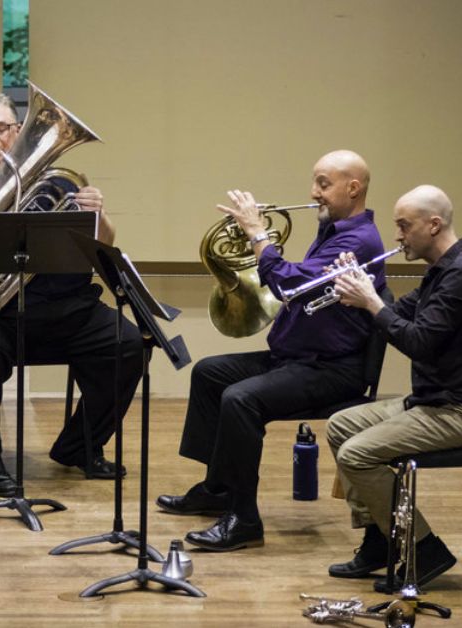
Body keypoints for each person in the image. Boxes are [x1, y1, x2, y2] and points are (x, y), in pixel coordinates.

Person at [0, 90, 144, 497]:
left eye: (0, 128)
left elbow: (102, 246)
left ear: (17, 132)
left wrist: (98, 216)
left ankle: (79, 446)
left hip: (62, 308)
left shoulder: (54, 180)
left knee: (127, 343)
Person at [156, 150, 387, 552]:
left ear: (354, 188)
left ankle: (244, 520)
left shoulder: (361, 240)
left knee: (241, 399)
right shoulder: (335, 229)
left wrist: (257, 234)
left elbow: (293, 286)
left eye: (323, 183)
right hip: (298, 359)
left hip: (332, 369)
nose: (313, 192)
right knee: (210, 373)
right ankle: (218, 489)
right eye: (315, 182)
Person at [326, 184, 462, 591]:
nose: (398, 236)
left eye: (404, 226)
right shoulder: (444, 269)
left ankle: (422, 550)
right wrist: (362, 286)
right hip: (433, 401)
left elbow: (418, 341)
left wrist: (371, 302)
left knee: (356, 455)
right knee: (340, 426)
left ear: (433, 224)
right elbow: (403, 312)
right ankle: (380, 541)